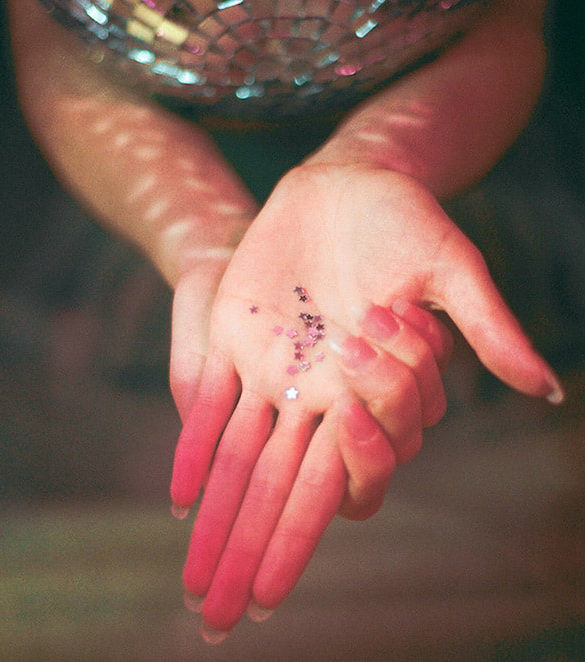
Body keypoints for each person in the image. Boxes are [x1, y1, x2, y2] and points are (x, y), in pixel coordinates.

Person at [9, 0, 563, 644]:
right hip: (123, 197)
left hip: (469, 178)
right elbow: (53, 44)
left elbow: (510, 23)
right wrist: (199, 236)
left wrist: (379, 159)